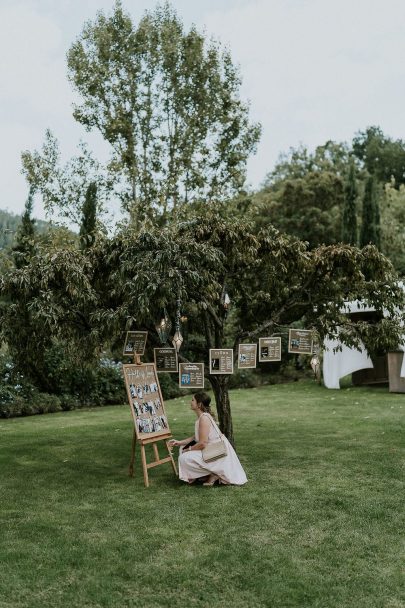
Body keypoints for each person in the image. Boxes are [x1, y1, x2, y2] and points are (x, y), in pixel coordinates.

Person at [169, 392, 247, 486]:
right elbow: (196, 436)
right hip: (212, 448)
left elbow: (203, 443)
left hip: (217, 451)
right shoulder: (203, 417)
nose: (191, 402)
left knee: (184, 458)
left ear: (199, 404)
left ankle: (214, 473)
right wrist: (180, 442)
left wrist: (188, 449)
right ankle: (206, 474)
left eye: (193, 400)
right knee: (182, 450)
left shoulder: (204, 418)